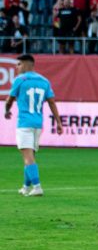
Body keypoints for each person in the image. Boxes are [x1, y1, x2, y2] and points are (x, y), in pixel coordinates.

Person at [3, 54, 63, 196]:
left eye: (18, 64)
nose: (17, 67)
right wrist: (59, 122)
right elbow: (52, 102)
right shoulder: (44, 81)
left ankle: (37, 187)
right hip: (38, 124)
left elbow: (9, 100)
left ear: (25, 64)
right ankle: (25, 187)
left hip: (24, 123)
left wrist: (6, 111)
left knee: (28, 157)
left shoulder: (20, 80)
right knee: (30, 156)